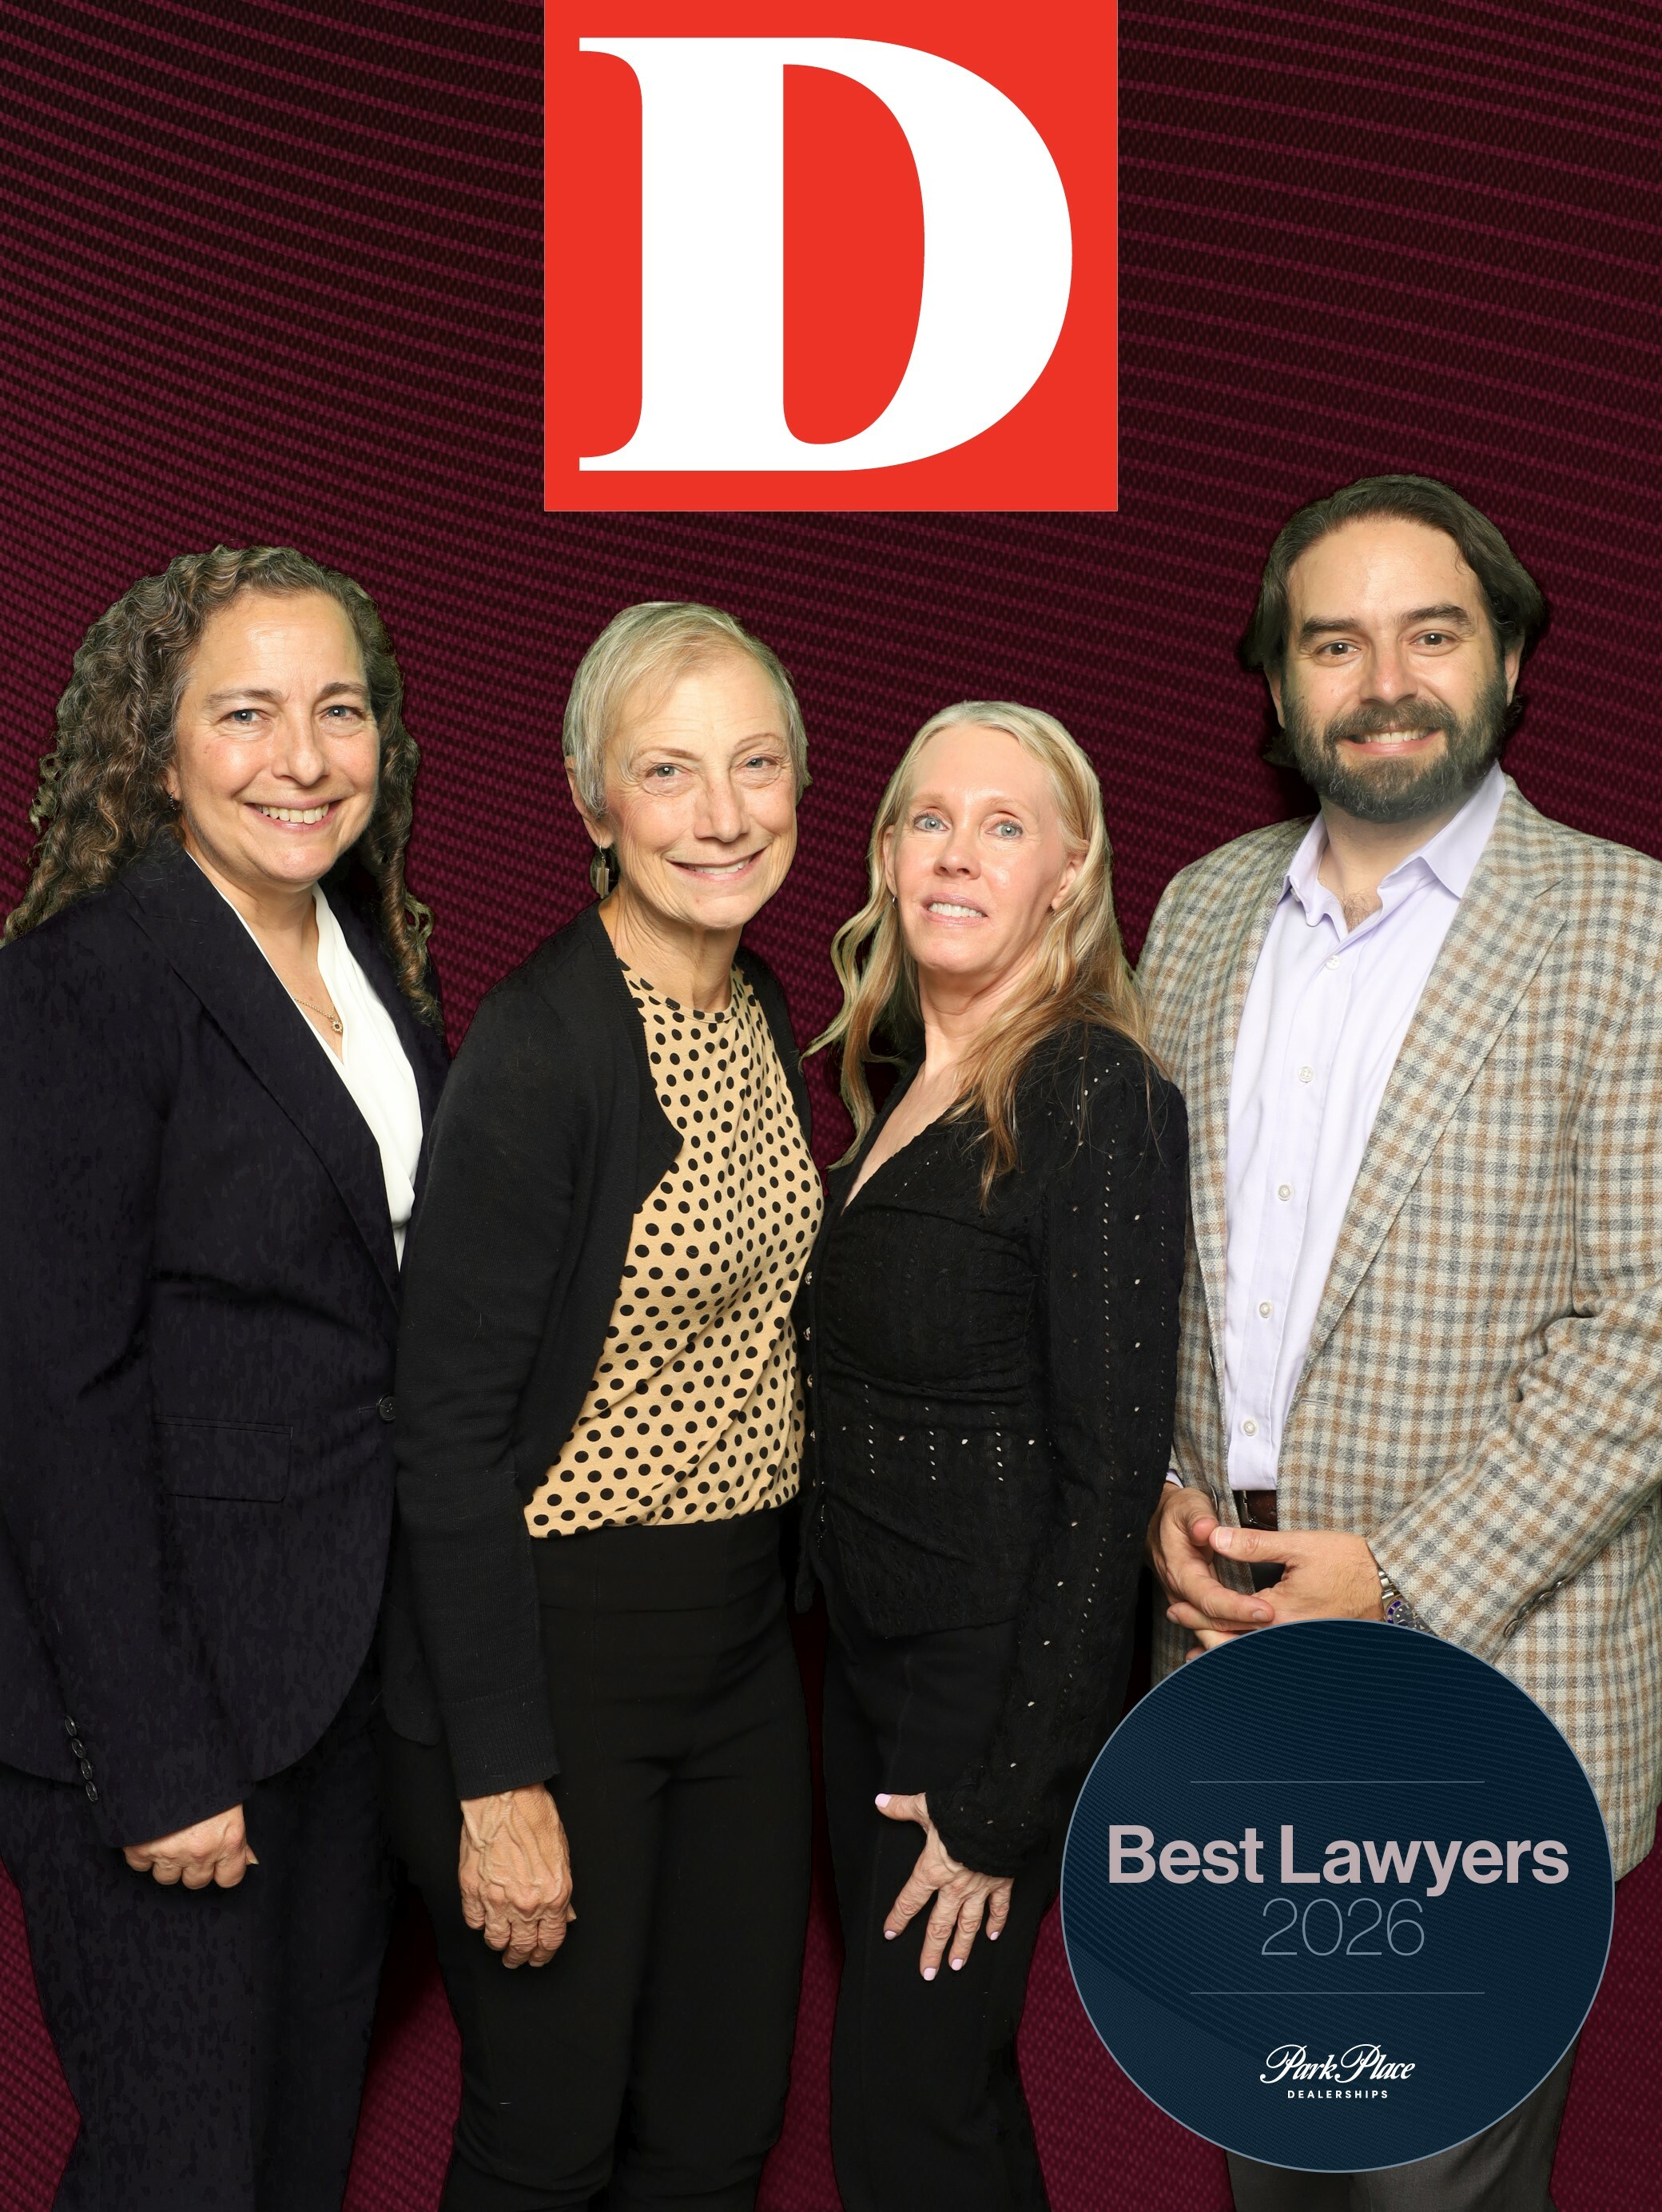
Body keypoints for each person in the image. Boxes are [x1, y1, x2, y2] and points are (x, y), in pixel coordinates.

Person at [1139, 473, 1662, 2211]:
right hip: (1227, 1681)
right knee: (1274, 2168)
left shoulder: (1628, 930)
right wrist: (1154, 1494)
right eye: (1332, 643)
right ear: (1279, 685)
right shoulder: (1199, 913)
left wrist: (1399, 1576)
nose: (1383, 682)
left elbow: (1647, 1331)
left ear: (1507, 659)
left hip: (1485, 1697)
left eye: (1429, 634)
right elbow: (1147, 1268)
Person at [0, 547, 448, 2212]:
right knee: (177, 2177)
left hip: (344, 1686)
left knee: (294, 2165)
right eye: (246, 714)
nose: (303, 758)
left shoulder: (372, 964)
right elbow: (54, 1397)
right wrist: (155, 1752)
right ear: (160, 745)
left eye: (339, 710)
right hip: (161, 1710)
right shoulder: (85, 982)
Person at [380, 600, 820, 2210]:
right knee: (545, 2145)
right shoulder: (543, 1045)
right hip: (557, 1662)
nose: (722, 814)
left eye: (755, 764)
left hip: (739, 1660)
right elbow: (444, 1430)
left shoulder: (762, 1006)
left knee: (716, 2133)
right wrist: (502, 1780)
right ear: (593, 801)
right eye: (668, 770)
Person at [797, 702, 1187, 2212]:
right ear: (889, 854)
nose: (957, 854)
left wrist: (1009, 1795)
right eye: (930, 820)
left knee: (905, 2125)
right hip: (868, 1668)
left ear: (1069, 876)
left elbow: (1110, 1470)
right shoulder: (902, 1071)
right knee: (944, 2106)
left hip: (980, 1694)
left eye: (1004, 826)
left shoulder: (1092, 1090)